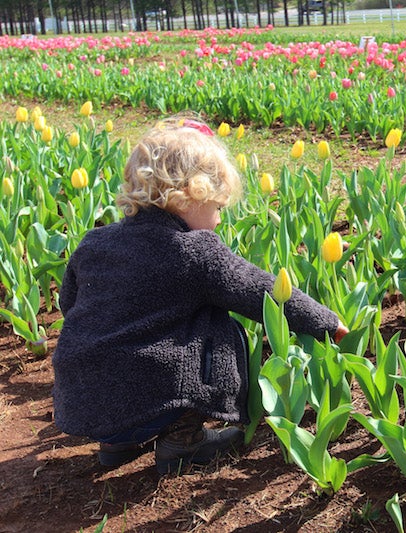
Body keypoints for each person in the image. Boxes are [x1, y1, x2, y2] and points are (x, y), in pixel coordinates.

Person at [52, 116, 348, 475]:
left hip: (84, 401)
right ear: (189, 195)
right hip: (157, 397)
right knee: (215, 328)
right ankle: (183, 439)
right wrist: (325, 321)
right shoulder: (195, 251)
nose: (220, 220)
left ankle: (118, 443)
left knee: (129, 342)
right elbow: (259, 291)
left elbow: (70, 305)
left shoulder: (94, 242)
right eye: (217, 207)